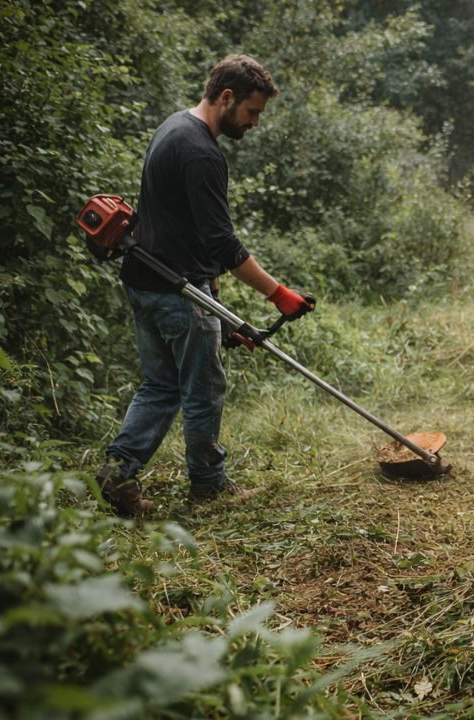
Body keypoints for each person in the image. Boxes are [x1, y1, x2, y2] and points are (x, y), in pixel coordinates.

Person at [95, 54, 316, 517]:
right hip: (176, 291)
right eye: (252, 112)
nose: (255, 123)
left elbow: (185, 227)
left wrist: (216, 305)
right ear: (226, 97)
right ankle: (209, 484)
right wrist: (279, 294)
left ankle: (118, 472)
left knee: (160, 385)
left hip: (146, 279)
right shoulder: (201, 152)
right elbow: (221, 242)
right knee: (203, 389)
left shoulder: (172, 126)